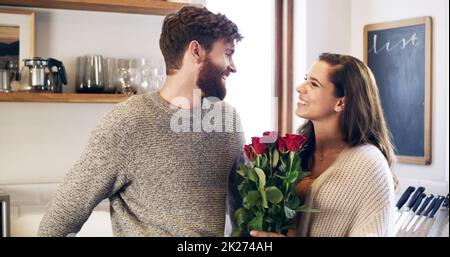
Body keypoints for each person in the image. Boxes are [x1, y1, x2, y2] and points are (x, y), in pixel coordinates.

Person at [38, 6, 245, 237]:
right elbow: (62, 216)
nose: (233, 66)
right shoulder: (127, 122)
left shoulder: (227, 120)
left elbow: (244, 212)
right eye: (227, 53)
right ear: (196, 51)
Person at [251, 53, 397, 237]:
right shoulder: (295, 154)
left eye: (313, 84)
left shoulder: (370, 165)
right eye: (306, 79)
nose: (299, 88)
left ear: (340, 102)